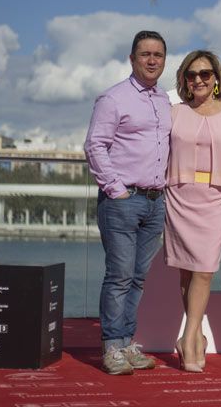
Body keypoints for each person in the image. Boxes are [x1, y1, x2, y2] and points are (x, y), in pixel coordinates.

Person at [84, 30, 172, 375]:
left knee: (137, 278)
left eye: (159, 55)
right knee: (119, 276)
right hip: (123, 200)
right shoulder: (114, 98)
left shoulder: (164, 99)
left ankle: (126, 342)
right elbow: (95, 146)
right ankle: (111, 348)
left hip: (155, 201)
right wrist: (115, 188)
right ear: (132, 59)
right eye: (145, 54)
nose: (152, 60)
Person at [164, 50, 221, 372]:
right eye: (191, 75)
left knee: (205, 269)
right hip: (179, 194)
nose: (198, 80)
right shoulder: (173, 113)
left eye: (205, 74)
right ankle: (197, 338)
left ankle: (188, 334)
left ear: (216, 78)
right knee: (186, 270)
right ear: (183, 80)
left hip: (218, 197)